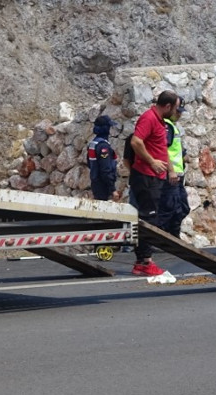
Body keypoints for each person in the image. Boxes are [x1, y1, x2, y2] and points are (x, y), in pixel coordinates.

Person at [129, 90, 180, 276]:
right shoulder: (149, 118)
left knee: (152, 217)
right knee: (147, 219)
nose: (176, 111)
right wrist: (151, 161)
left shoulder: (160, 122)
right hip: (145, 176)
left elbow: (161, 148)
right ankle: (144, 261)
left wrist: (170, 170)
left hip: (156, 177)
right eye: (175, 107)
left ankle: (143, 260)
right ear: (167, 106)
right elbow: (136, 142)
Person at [157, 97, 191, 238]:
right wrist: (171, 171)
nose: (179, 114)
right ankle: (162, 239)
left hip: (176, 175)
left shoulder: (171, 126)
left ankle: (172, 238)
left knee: (182, 208)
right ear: (170, 108)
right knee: (169, 210)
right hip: (169, 176)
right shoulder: (166, 125)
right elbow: (163, 149)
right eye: (177, 111)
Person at [87, 115, 119, 201]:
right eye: (109, 127)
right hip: (103, 186)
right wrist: (113, 189)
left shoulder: (93, 143)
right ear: (106, 129)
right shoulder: (103, 146)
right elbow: (105, 169)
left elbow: (90, 164)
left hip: (96, 183)